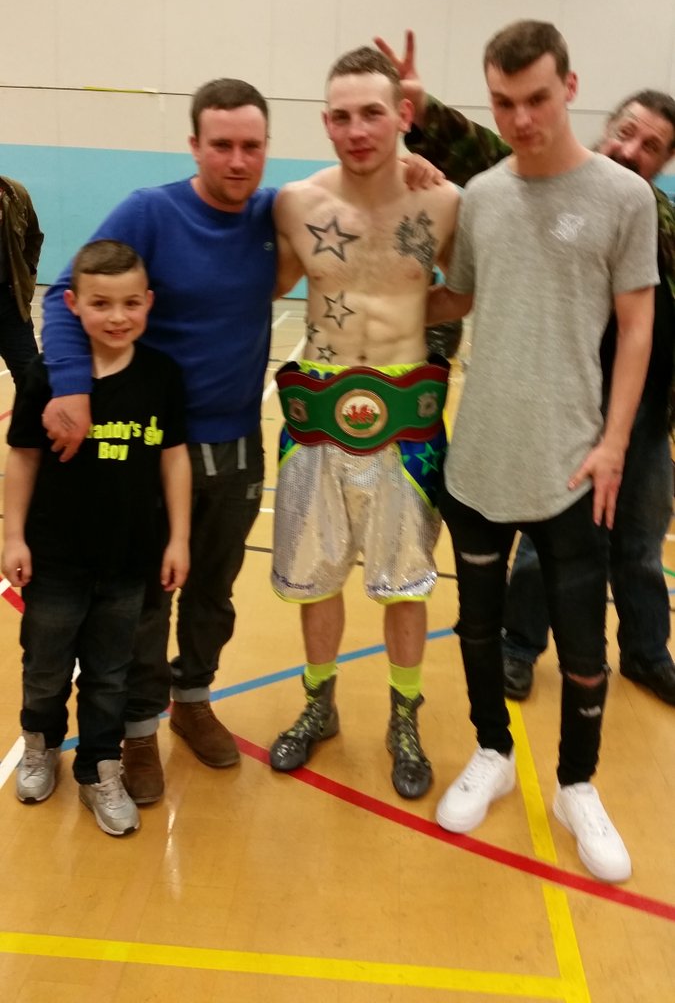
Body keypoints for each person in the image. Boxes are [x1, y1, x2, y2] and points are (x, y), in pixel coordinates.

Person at [38, 77, 442, 806]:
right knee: (143, 599)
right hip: (152, 452)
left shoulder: (274, 211)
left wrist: (415, 163)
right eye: (220, 144)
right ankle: (137, 729)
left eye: (251, 146)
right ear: (194, 144)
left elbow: (371, 212)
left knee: (212, 596)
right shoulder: (149, 211)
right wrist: (69, 383)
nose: (236, 159)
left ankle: (192, 700)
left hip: (236, 446)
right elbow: (67, 293)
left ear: (266, 150)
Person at [418, 20, 657, 882]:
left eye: (537, 99)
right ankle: (488, 750)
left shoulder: (621, 198)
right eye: (504, 102)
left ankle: (575, 785)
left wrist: (615, 442)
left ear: (569, 87)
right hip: (478, 460)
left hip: (571, 466)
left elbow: (636, 326)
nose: (520, 118)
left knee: (583, 648)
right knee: (477, 629)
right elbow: (455, 299)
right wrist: (379, 266)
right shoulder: (480, 194)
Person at [375, 31, 675, 707]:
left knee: (637, 546)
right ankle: (517, 649)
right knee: (546, 548)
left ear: (664, 160)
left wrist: (626, 434)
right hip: (563, 409)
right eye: (626, 131)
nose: (630, 147)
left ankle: (648, 654)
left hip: (646, 411)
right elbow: (487, 155)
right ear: (601, 117)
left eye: (650, 144)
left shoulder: (644, 210)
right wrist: (422, 112)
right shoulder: (519, 179)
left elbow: (644, 323)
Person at [268, 46, 460, 799]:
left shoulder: (443, 204)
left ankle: (403, 717)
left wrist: (415, 307)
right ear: (324, 122)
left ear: (402, 114)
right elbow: (259, 275)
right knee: (316, 577)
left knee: (405, 584)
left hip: (404, 425)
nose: (357, 129)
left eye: (372, 112)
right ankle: (318, 703)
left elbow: (466, 293)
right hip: (316, 416)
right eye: (341, 116)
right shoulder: (293, 203)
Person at [2, 240, 190, 836]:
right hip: (56, 561)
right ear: (74, 304)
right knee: (47, 666)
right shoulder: (47, 377)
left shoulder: (160, 375)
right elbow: (24, 461)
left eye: (130, 303)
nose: (117, 316)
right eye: (101, 303)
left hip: (128, 563)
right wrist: (14, 539)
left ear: (148, 303)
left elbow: (175, 460)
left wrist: (178, 539)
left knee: (111, 675)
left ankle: (99, 768)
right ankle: (40, 744)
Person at [0, 174, 44, 384]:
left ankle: (27, 418)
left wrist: (26, 272)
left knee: (31, 378)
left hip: (9, 301)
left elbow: (34, 237)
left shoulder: (14, 193)